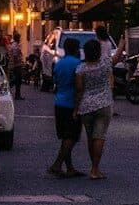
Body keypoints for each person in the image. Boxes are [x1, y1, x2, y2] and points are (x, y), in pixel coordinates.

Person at [74, 37, 114, 179]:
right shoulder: (105, 64)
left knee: (91, 137)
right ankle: (95, 168)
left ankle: (94, 166)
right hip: (103, 104)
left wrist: (76, 109)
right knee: (100, 136)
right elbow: (118, 56)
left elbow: (79, 89)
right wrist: (121, 43)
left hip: (86, 106)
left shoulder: (81, 68)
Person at [48, 37, 84, 177]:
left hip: (59, 102)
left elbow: (55, 81)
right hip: (71, 103)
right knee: (72, 136)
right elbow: (79, 86)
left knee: (65, 136)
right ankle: (57, 164)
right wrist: (77, 107)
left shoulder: (59, 64)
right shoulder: (78, 64)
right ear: (76, 49)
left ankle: (69, 167)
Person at [8, 31, 25, 100]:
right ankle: (15, 92)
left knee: (18, 80)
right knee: (18, 80)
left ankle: (17, 94)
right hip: (17, 65)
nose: (20, 39)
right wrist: (18, 61)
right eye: (19, 38)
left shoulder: (16, 44)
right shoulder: (15, 45)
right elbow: (15, 55)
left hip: (17, 64)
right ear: (17, 38)